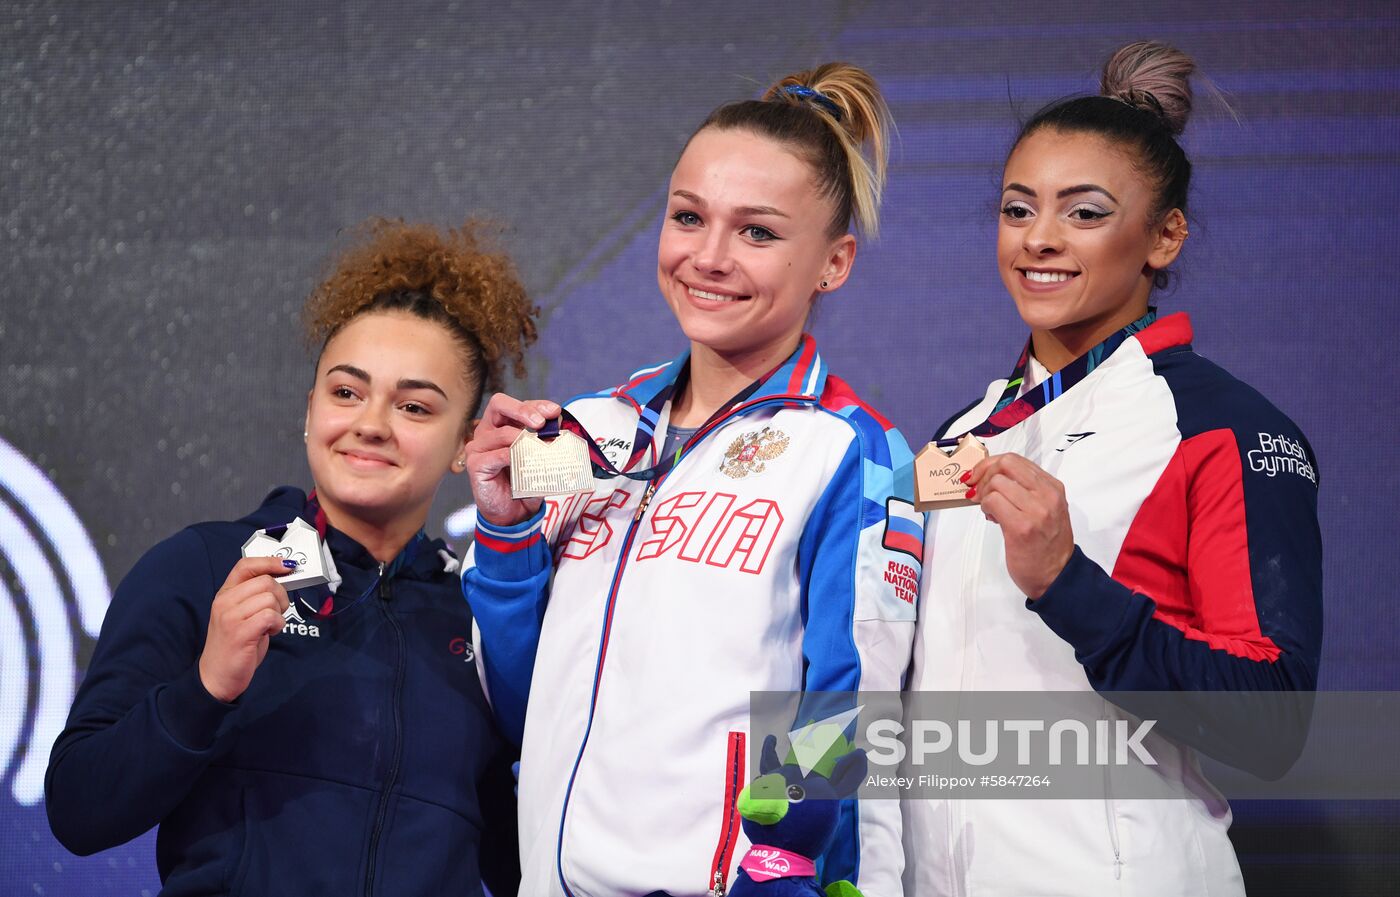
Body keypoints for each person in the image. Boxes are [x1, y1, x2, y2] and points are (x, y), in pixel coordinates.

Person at [463, 64, 920, 897]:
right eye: (688, 217)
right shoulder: (586, 431)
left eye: (758, 233)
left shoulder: (849, 451)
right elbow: (525, 706)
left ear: (835, 262)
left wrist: (783, 870)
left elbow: (848, 707)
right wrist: (504, 533)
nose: (708, 257)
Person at [902, 41, 1323, 896]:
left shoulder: (1219, 429)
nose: (1040, 240)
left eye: (1085, 213)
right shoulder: (965, 430)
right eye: (1018, 210)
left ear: (1164, 236)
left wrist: (1066, 581)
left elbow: (1271, 721)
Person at [45, 219, 538, 896]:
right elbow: (79, 807)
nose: (370, 422)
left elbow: (531, 858)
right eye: (346, 391)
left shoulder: (481, 617)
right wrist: (207, 685)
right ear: (310, 410)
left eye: (415, 406)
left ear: (465, 442)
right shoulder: (206, 565)